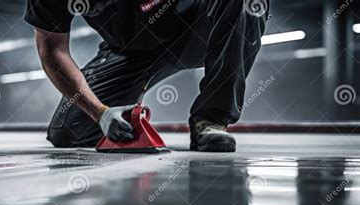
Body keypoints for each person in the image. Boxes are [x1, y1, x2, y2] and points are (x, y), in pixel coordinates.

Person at [25, 0, 269, 152]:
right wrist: (100, 113)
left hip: (194, 33)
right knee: (70, 130)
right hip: (129, 52)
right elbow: (53, 51)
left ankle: (211, 119)